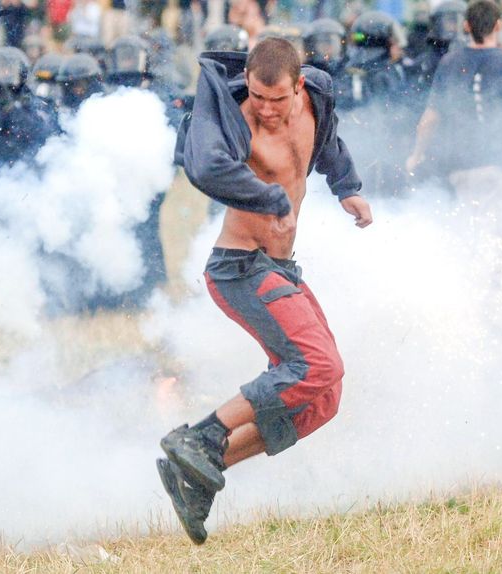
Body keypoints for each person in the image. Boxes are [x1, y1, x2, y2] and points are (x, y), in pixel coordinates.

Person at [158, 37, 372, 544]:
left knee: (323, 396)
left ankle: (200, 473)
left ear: (298, 86)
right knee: (319, 365)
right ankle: (200, 436)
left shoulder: (316, 99)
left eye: (278, 100)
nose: (268, 111)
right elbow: (207, 166)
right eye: (258, 98)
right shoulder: (232, 117)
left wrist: (348, 188)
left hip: (281, 269)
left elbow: (331, 143)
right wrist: (268, 196)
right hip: (239, 267)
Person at [406, 0, 502, 238]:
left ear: (466, 26)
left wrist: (416, 154)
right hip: (498, 168)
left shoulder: (448, 62)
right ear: (498, 26)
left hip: (460, 169)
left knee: (469, 232)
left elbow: (429, 119)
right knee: (500, 235)